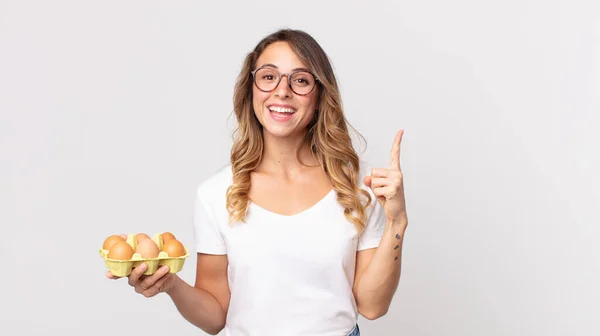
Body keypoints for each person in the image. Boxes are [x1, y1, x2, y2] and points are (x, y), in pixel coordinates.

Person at [106, 28, 408, 336]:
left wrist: (397, 222)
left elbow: (373, 306)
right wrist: (171, 285)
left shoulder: (360, 185)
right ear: (252, 90)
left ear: (319, 96)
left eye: (300, 80)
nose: (282, 91)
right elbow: (215, 317)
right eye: (268, 77)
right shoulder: (216, 193)